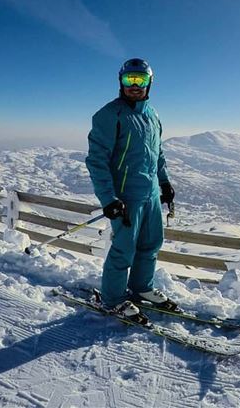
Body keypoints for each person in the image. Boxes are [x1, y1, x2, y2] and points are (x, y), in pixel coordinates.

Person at [85, 58, 176, 318]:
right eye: (129, 80)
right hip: (126, 197)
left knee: (150, 244)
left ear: (149, 83)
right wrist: (108, 198)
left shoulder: (152, 115)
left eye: (141, 80)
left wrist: (165, 182)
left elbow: (157, 154)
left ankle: (141, 288)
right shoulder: (109, 115)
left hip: (149, 195)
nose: (135, 86)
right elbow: (97, 160)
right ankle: (112, 299)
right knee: (124, 248)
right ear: (121, 82)